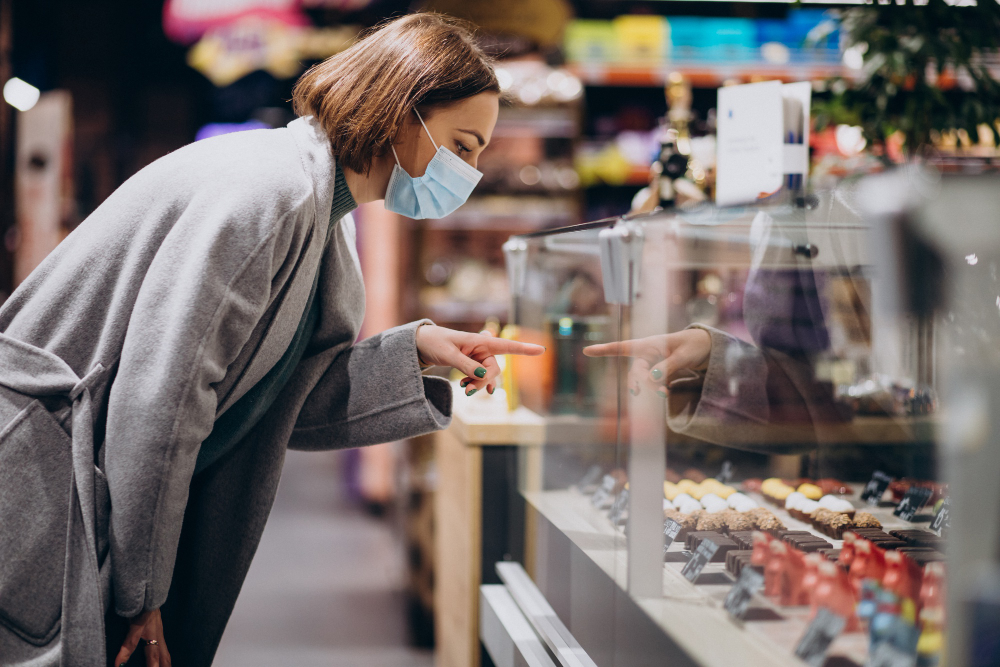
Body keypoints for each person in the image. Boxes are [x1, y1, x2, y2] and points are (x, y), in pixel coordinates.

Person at [0, 13, 542, 667]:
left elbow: (281, 399)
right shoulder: (271, 196)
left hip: (81, 489)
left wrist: (418, 349)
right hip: (44, 485)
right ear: (401, 110)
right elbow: (162, 399)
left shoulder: (320, 210)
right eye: (463, 145)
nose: (471, 172)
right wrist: (139, 593)